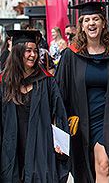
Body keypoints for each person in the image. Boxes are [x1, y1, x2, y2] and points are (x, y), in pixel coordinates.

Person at [55, 1, 109, 182]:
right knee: (84, 168)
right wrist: (58, 127)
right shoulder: (71, 55)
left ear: (103, 24)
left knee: (104, 163)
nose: (91, 23)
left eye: (96, 19)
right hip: (79, 119)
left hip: (108, 118)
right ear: (82, 26)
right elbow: (59, 91)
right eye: (87, 20)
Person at [0, 30, 69, 182]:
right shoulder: (4, 83)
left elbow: (59, 113)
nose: (33, 55)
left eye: (35, 51)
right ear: (17, 53)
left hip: (41, 145)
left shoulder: (46, 82)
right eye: (28, 51)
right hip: (12, 146)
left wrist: (61, 144)